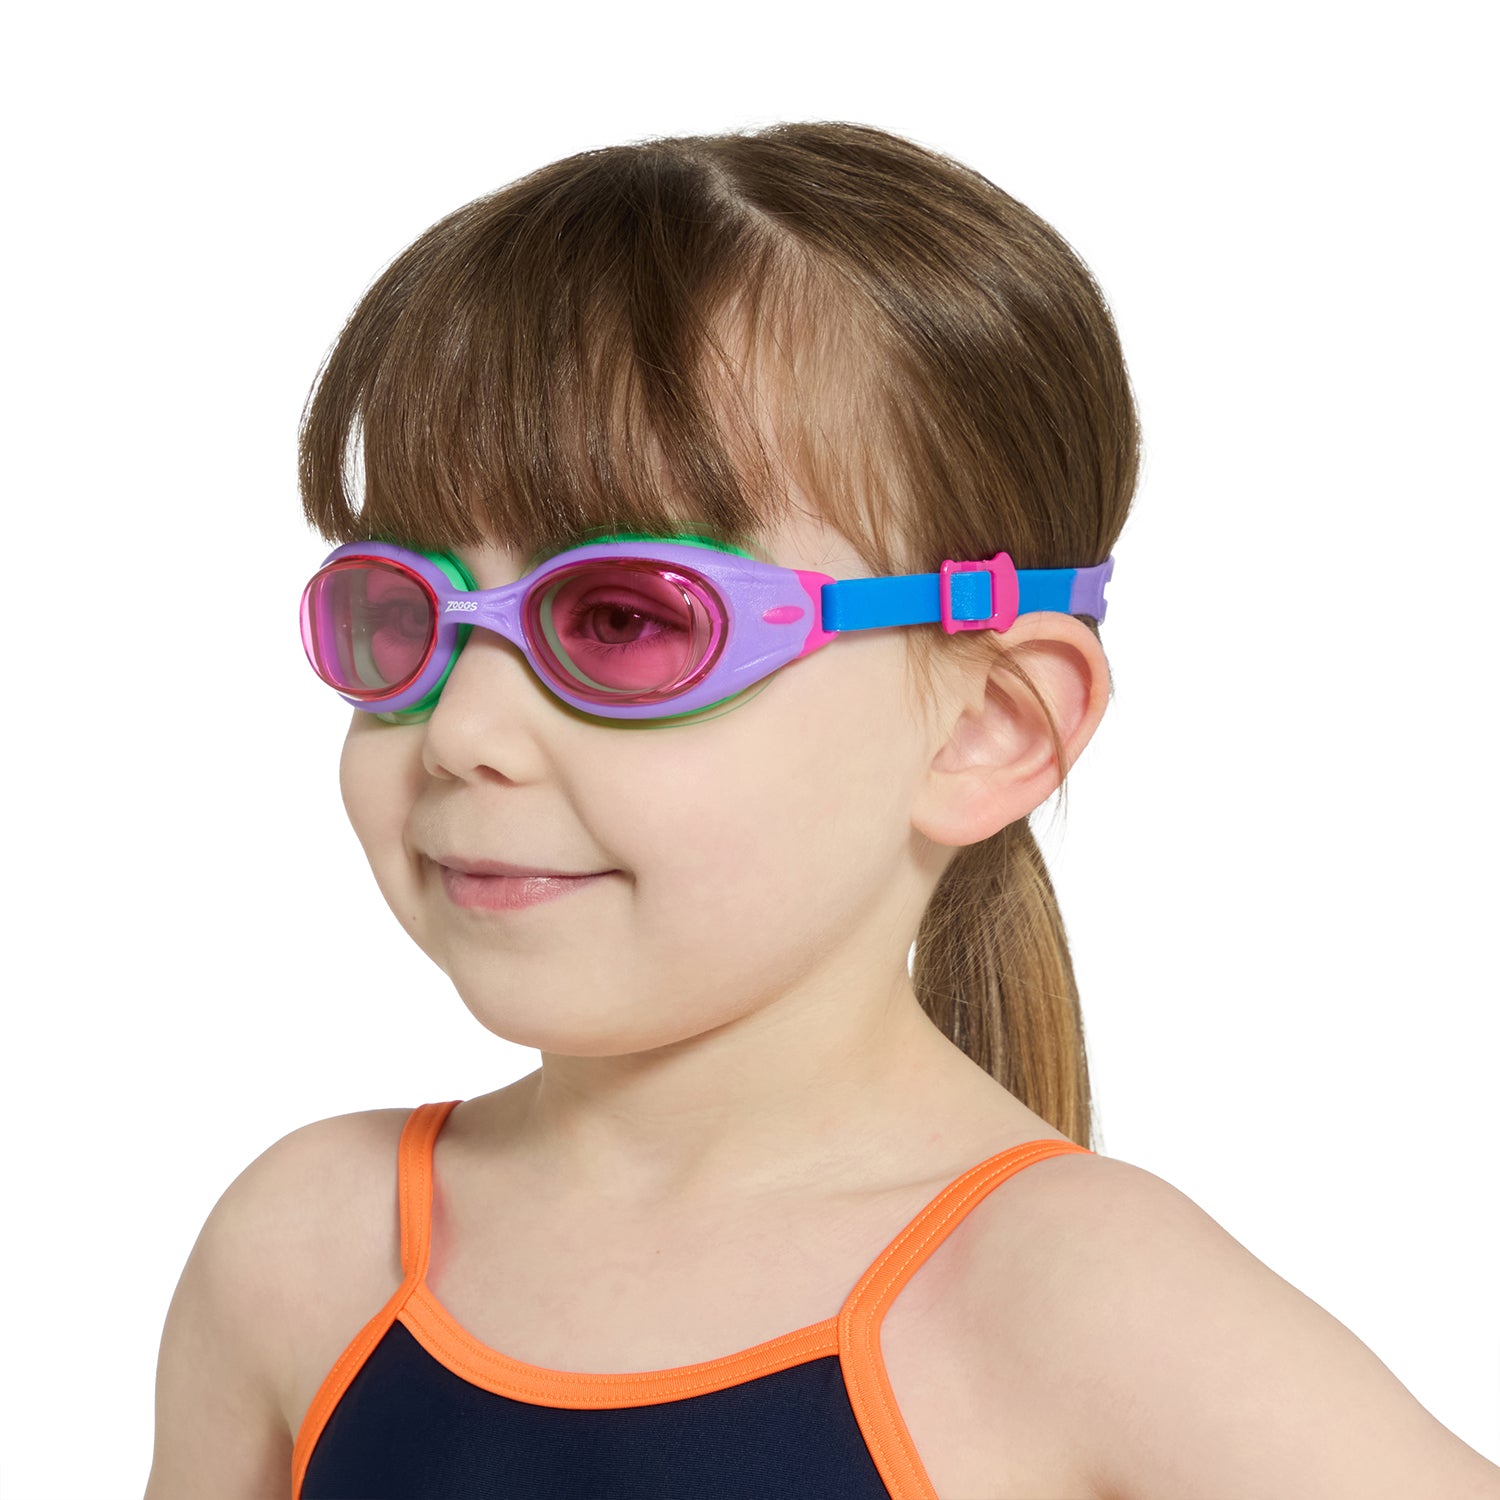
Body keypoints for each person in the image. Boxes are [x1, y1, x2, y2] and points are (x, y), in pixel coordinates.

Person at [145, 122, 1500, 1500]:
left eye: (623, 619)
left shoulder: (1080, 1307)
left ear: (988, 726)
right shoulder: (307, 1250)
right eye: (403, 613)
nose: (462, 734)